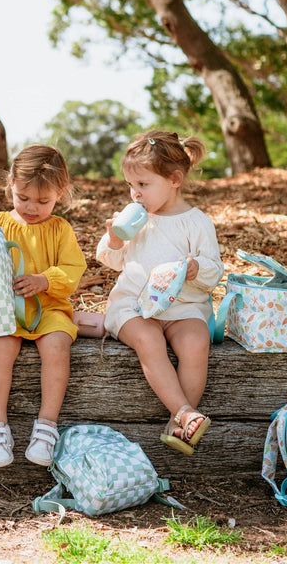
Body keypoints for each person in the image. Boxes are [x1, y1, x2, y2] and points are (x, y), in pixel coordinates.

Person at [96, 130, 224, 455]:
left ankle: (178, 423)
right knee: (148, 340)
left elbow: (214, 271)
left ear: (175, 180)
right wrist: (113, 239)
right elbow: (110, 261)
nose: (134, 194)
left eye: (143, 185)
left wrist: (197, 268)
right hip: (134, 308)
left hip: (182, 309)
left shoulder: (196, 223)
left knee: (196, 342)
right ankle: (184, 412)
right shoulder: (137, 221)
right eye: (130, 185)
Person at [0, 145, 86, 469]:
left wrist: (45, 280)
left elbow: (73, 269)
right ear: (11, 186)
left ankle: (46, 428)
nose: (32, 207)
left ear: (61, 193)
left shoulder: (60, 229)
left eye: (43, 201)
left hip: (49, 306)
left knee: (58, 345)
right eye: (23, 197)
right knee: (0, 348)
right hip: (6, 309)